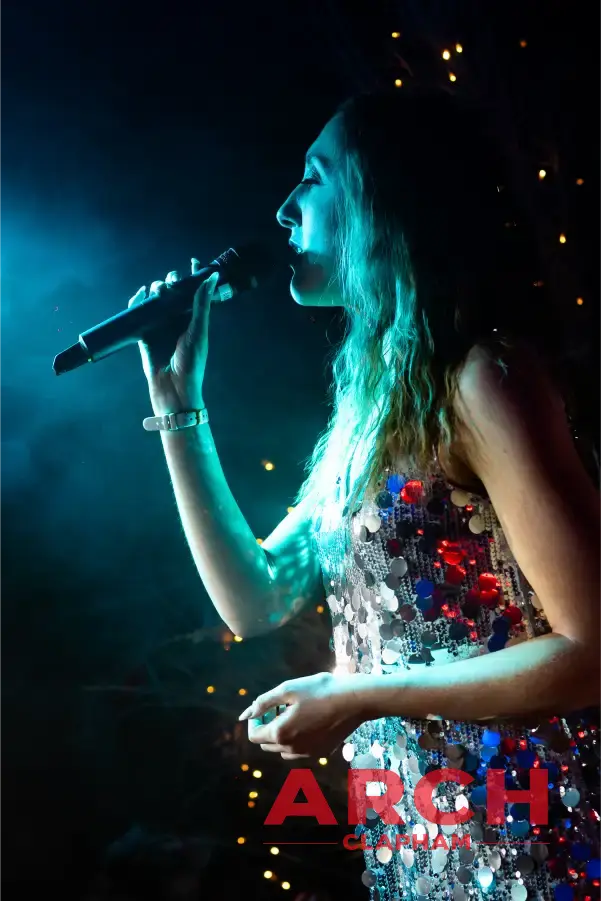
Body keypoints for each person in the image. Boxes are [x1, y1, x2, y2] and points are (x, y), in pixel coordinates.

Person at [130, 90, 601, 900]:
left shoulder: (481, 378)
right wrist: (177, 408)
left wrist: (358, 694)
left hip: (532, 850)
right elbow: (255, 599)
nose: (283, 208)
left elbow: (591, 649)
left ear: (385, 201)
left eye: (313, 178)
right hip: (421, 851)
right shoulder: (369, 412)